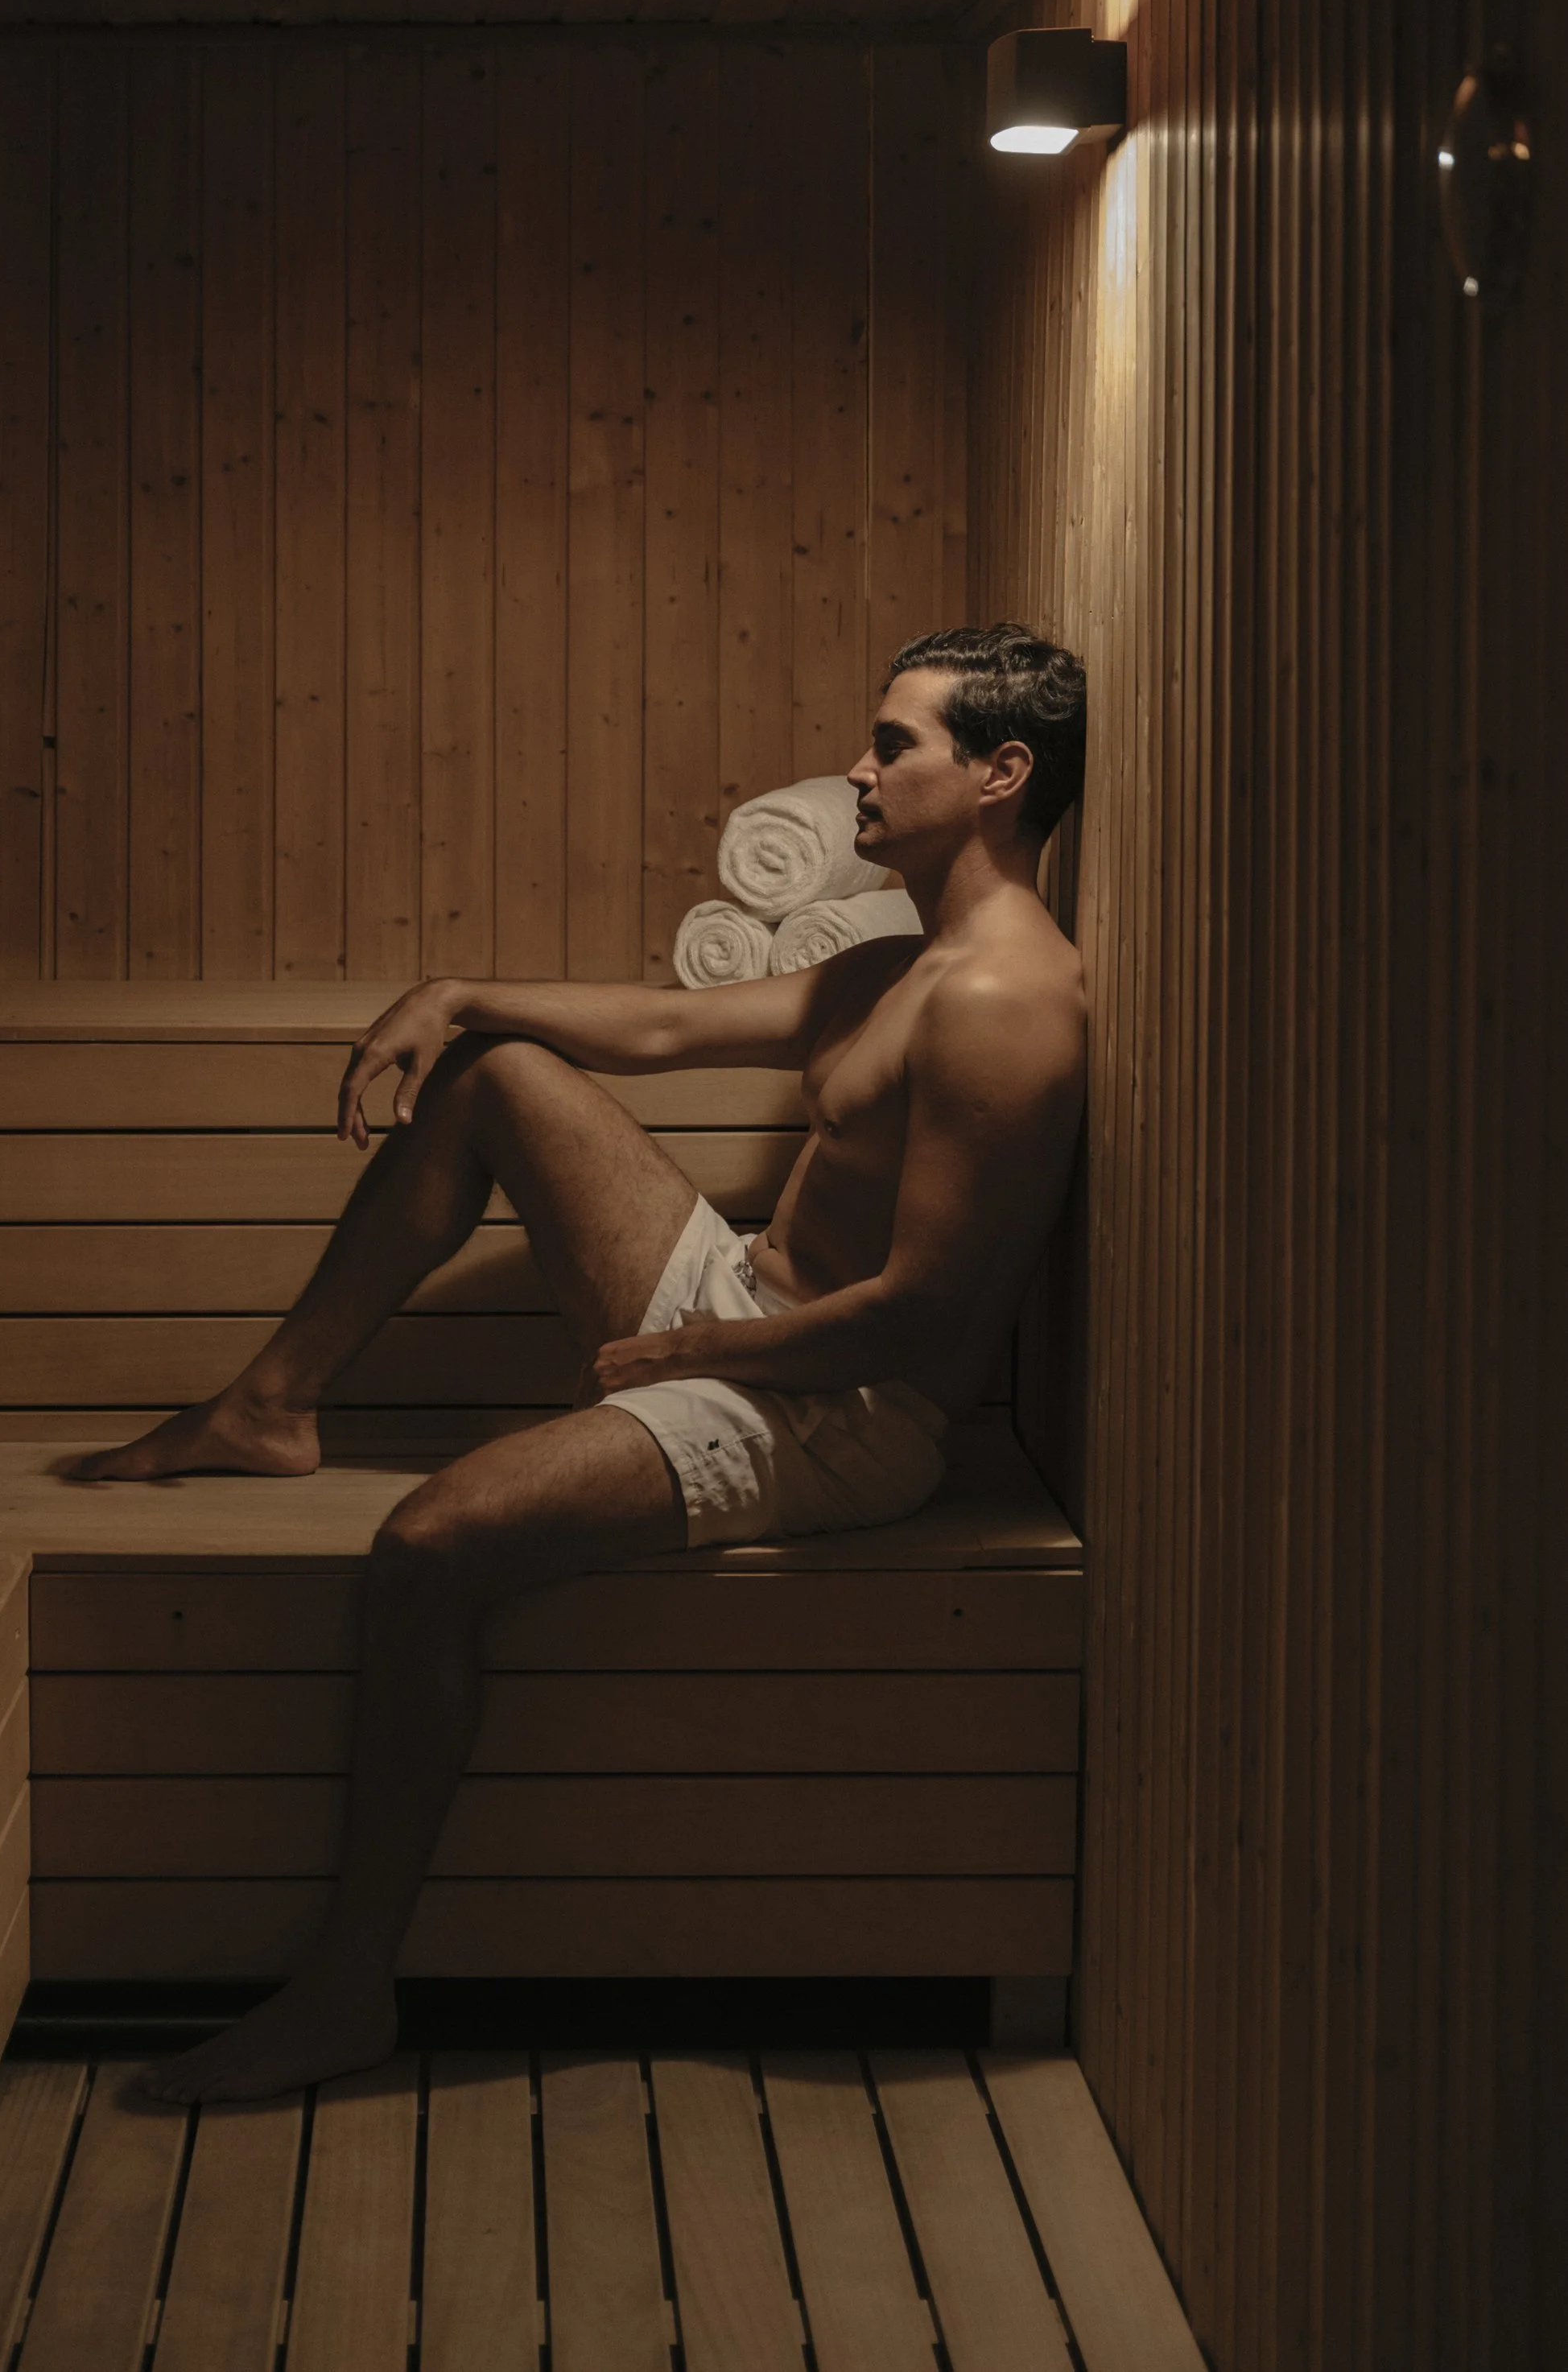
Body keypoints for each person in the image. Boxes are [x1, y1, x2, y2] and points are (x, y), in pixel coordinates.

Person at [68, 621, 1089, 2102]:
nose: (855, 773)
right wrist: (460, 993)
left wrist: (705, 1350)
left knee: (426, 1544)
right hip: (744, 1313)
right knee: (495, 1076)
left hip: (835, 1413)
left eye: (893, 746)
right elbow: (670, 1023)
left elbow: (924, 1321)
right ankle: (266, 1407)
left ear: (1000, 774)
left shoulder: (1009, 1003)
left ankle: (343, 1992)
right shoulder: (905, 961)